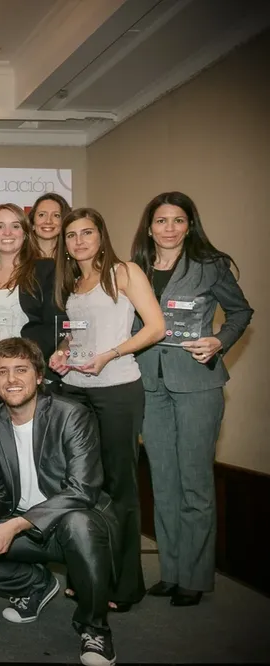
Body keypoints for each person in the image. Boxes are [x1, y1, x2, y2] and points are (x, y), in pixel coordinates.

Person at [0, 338, 119, 666]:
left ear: (39, 375)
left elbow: (83, 490)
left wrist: (18, 523)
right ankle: (36, 585)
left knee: (77, 522)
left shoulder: (72, 415)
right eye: (2, 372)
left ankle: (94, 627)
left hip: (79, 525)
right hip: (23, 525)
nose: (11, 379)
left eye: (21, 370)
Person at [130, 192, 253, 607]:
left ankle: (195, 578)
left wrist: (219, 340)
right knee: (164, 482)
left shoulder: (210, 266)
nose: (169, 228)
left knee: (195, 482)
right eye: (161, 221)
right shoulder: (135, 270)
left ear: (189, 225)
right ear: (149, 227)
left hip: (198, 383)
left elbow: (241, 313)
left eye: (178, 220)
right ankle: (172, 570)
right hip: (149, 383)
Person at [48, 207, 166, 612]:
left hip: (116, 389)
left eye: (87, 232)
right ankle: (88, 576)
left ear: (101, 235)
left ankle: (124, 585)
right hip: (75, 391)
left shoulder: (124, 272)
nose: (79, 241)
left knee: (120, 490)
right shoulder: (74, 282)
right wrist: (62, 354)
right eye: (71, 235)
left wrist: (110, 355)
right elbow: (79, 337)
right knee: (82, 489)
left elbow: (155, 327)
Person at [0, 203, 62, 419]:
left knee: (34, 448)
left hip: (29, 379)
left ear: (25, 233)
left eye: (15, 226)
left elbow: (54, 322)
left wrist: (22, 360)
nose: (7, 233)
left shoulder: (45, 270)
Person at [29, 193, 72, 260]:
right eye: (42, 215)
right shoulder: (18, 258)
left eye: (56, 215)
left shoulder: (75, 257)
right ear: (33, 222)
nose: (48, 221)